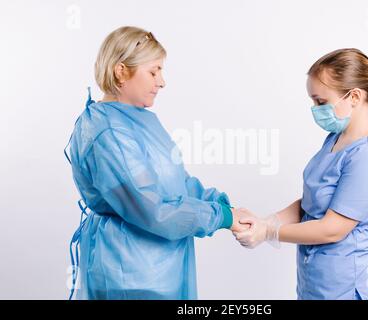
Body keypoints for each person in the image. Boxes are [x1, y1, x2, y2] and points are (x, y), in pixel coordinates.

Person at [65, 26, 250, 300]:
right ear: (121, 71)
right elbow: (151, 209)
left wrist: (225, 206)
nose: (162, 82)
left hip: (158, 267)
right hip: (129, 270)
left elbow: (175, 182)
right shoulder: (108, 132)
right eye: (153, 71)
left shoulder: (138, 119)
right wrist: (221, 217)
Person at [234, 48, 368, 300]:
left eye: (321, 102)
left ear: (353, 96)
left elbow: (332, 229)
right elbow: (311, 203)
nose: (315, 109)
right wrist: (266, 222)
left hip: (347, 287)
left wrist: (269, 233)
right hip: (317, 285)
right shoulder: (334, 139)